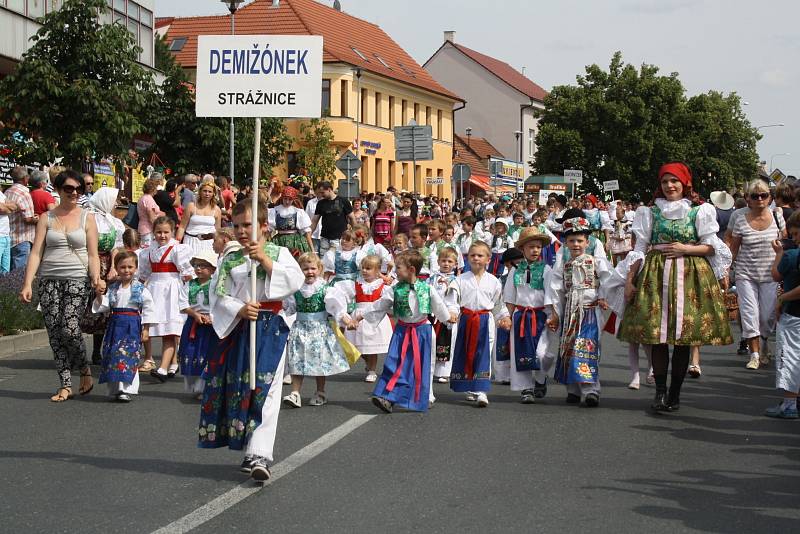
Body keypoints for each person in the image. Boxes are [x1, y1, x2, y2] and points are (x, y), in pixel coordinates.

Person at [199, 200, 303, 481]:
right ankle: (247, 446)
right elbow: (217, 296)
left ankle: (260, 453)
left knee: (266, 389)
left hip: (271, 328)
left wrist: (266, 262)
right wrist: (239, 309)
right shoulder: (230, 260)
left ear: (263, 227)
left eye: (248, 225)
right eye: (237, 225)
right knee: (243, 386)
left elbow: (296, 280)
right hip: (241, 328)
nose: (242, 231)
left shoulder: (279, 253)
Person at [619, 162, 732, 412]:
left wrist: (686, 248)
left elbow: (711, 246)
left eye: (674, 181)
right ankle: (659, 392)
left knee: (682, 338)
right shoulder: (649, 212)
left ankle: (675, 394)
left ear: (684, 183)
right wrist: (629, 281)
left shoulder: (699, 210)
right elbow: (639, 249)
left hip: (690, 274)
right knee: (657, 336)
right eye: (664, 182)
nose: (669, 186)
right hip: (655, 275)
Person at [19, 169, 101, 402]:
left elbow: (93, 254)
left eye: (78, 189)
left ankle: (84, 370)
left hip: (77, 278)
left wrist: (96, 279)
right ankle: (65, 384)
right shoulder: (47, 217)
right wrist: (28, 283)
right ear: (58, 190)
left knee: (69, 328)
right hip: (49, 280)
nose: (74, 193)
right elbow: (36, 253)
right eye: (69, 189)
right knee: (55, 332)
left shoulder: (87, 217)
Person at [370, 250, 455, 413]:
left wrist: (447, 317)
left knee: (421, 366)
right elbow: (378, 306)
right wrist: (358, 318)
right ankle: (386, 396)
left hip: (422, 332)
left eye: (398, 268)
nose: (395, 271)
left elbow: (439, 307)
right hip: (402, 331)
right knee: (394, 362)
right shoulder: (394, 289)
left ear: (411, 270)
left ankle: (422, 397)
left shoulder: (427, 288)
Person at [546, 216, 612, 407]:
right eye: (572, 241)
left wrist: (602, 296)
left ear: (587, 242)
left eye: (580, 240)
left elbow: (607, 279)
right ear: (565, 243)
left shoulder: (594, 261)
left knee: (587, 349)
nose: (576, 244)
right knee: (569, 348)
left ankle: (591, 389)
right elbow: (556, 289)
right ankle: (573, 389)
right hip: (570, 312)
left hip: (589, 311)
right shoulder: (564, 266)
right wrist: (555, 313)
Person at [726, 179, 785, 370]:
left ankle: (765, 342)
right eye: (754, 196)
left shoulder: (777, 217)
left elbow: (787, 244)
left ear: (770, 198)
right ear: (748, 199)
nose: (759, 199)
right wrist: (726, 270)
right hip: (746, 274)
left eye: (763, 195)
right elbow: (734, 249)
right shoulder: (740, 218)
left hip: (771, 274)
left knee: (767, 316)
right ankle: (754, 354)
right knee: (750, 313)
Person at [447, 241, 511, 407]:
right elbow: (453, 299)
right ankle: (468, 385)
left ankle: (481, 391)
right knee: (466, 351)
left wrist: (503, 317)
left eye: (480, 255)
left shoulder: (494, 281)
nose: (476, 258)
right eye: (472, 255)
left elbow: (498, 303)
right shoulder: (460, 279)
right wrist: (452, 311)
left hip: (484, 320)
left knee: (483, 353)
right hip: (466, 319)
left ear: (488, 259)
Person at [282, 253, 350, 408]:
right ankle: (295, 393)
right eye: (305, 269)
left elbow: (336, 308)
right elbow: (290, 308)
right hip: (300, 328)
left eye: (313, 268)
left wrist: (345, 319)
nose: (310, 272)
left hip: (319, 329)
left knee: (320, 362)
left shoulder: (325, 289)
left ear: (320, 269)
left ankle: (320, 391)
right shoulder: (297, 289)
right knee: (296, 361)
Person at [93, 251, 155, 402]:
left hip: (132, 324)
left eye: (130, 267)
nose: (126, 270)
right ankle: (115, 388)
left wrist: (146, 329)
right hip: (115, 324)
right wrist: (100, 294)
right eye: (122, 267)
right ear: (116, 268)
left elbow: (148, 309)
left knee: (129, 355)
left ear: (135, 268)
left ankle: (126, 389)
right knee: (114, 355)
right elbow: (105, 306)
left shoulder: (140, 289)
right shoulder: (114, 288)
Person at [138, 216, 193, 382]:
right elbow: (144, 273)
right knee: (161, 328)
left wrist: (189, 292)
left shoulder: (177, 249)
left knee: (170, 331)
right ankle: (173, 363)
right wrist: (137, 289)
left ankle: (162, 368)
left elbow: (187, 273)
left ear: (173, 232)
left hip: (171, 289)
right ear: (153, 232)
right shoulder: (148, 250)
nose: (162, 235)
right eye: (158, 232)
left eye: (166, 232)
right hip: (154, 288)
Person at [503, 228, 553, 403]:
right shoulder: (515, 270)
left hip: (540, 316)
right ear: (522, 249)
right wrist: (507, 316)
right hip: (521, 316)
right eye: (531, 247)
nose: (535, 250)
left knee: (542, 354)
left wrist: (552, 315)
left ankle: (540, 378)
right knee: (522, 354)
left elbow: (551, 295)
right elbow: (509, 296)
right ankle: (526, 388)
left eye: (538, 247)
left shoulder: (547, 270)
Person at [328, 255, 393, 383]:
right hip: (357, 317)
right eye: (363, 268)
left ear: (377, 270)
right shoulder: (356, 284)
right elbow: (341, 294)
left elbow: (388, 300)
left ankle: (372, 370)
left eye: (368, 268)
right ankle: (368, 363)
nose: (364, 271)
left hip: (374, 318)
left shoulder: (382, 286)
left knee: (372, 347)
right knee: (356, 345)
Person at [81, 187, 126, 365]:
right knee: (84, 305)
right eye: (113, 200)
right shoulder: (86, 217)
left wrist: (114, 267)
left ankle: (97, 351)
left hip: (107, 264)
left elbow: (115, 247)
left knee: (104, 309)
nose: (115, 204)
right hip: (88, 262)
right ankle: (75, 351)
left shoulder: (112, 221)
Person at [766, 212, 800, 418]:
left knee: (789, 357)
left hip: (794, 314)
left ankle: (789, 404)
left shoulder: (792, 256)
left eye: (796, 234)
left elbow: (776, 274)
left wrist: (782, 298)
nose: (795, 239)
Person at [178, 250, 219, 398]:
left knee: (208, 353)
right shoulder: (190, 284)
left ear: (213, 269)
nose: (199, 269)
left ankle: (204, 387)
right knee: (190, 352)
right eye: (196, 265)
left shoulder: (215, 285)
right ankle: (193, 385)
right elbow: (182, 303)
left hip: (211, 325)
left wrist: (211, 317)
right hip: (193, 323)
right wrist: (195, 314)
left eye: (203, 265)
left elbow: (221, 303)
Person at [428, 247, 459, 382]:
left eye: (450, 261)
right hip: (434, 314)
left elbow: (458, 298)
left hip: (449, 314)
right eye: (443, 261)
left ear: (455, 263)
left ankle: (444, 372)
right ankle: (431, 369)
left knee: (448, 342)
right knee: (433, 341)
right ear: (438, 262)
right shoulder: (432, 279)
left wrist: (454, 312)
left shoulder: (457, 280)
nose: (446, 264)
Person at [176, 178, 222, 256]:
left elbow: (218, 231)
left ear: (213, 194)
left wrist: (220, 246)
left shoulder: (217, 210)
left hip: (209, 244)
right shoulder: (191, 206)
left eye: (210, 192)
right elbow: (182, 227)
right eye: (205, 191)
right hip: (190, 241)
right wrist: (176, 243)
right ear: (200, 192)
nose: (207, 194)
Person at [311, 180, 355, 257]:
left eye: (322, 192)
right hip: (325, 238)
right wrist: (309, 234)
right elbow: (314, 221)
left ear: (329, 189)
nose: (321, 195)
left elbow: (352, 218)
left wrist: (355, 234)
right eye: (320, 193)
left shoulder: (343, 201)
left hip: (340, 238)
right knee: (324, 260)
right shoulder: (321, 203)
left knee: (337, 261)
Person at [5, 166, 38, 270]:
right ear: (25, 178)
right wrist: (37, 219)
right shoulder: (24, 193)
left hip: (10, 237)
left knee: (9, 275)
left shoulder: (7, 192)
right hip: (22, 238)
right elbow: (28, 219)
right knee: (19, 276)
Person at [267, 186, 312, 258]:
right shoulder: (275, 211)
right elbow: (268, 231)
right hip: (279, 241)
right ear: (282, 198)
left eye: (290, 199)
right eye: (285, 199)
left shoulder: (298, 212)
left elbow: (307, 232)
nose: (287, 201)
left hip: (296, 242)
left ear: (293, 199)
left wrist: (312, 250)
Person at [137, 177, 164, 249]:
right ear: (153, 189)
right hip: (148, 229)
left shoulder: (143, 198)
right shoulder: (149, 199)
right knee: (148, 250)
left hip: (143, 227)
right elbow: (151, 217)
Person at [0, 185, 19, 273]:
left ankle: (4, 287)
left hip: (6, 236)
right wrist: (7, 207)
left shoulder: (1, 194)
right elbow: (2, 208)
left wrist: (6, 207)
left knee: (5, 270)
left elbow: (15, 206)